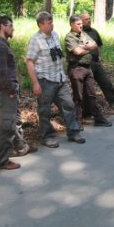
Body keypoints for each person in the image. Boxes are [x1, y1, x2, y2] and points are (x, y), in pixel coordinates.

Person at [25, 11, 85, 148]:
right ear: (40, 25)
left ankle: (74, 132)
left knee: (68, 105)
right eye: (49, 23)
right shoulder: (35, 40)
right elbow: (29, 62)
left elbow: (59, 57)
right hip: (45, 81)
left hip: (59, 79)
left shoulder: (55, 35)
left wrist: (63, 76)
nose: (52, 25)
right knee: (45, 110)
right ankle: (47, 137)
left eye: (52, 22)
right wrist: (35, 83)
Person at [0, 16, 37, 171]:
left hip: (10, 90)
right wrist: (10, 91)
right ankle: (2, 160)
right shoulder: (1, 47)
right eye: (11, 25)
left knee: (15, 120)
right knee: (7, 125)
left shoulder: (3, 45)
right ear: (3, 26)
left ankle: (22, 147)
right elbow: (2, 73)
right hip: (6, 91)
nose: (13, 28)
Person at [65, 15, 113, 128]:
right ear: (72, 25)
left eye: (81, 23)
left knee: (91, 94)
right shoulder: (70, 37)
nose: (81, 26)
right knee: (78, 97)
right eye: (78, 24)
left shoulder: (84, 34)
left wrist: (84, 47)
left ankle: (98, 118)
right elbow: (77, 51)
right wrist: (87, 47)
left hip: (87, 68)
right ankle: (77, 121)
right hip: (76, 68)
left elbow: (95, 45)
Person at [80, 12, 114, 115]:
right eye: (86, 19)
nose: (89, 20)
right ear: (81, 21)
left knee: (107, 84)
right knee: (88, 90)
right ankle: (86, 114)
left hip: (96, 63)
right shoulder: (78, 33)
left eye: (89, 18)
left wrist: (99, 55)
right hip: (85, 65)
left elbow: (99, 45)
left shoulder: (94, 32)